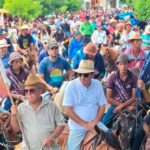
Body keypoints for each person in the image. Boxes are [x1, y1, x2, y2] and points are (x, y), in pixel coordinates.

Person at [11, 73, 65, 150]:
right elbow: (16, 129)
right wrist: (13, 116)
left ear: (40, 91)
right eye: (26, 91)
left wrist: (51, 138)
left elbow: (61, 124)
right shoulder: (21, 108)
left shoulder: (51, 106)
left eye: (31, 90)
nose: (28, 93)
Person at [63, 60, 108, 150]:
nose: (82, 77)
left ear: (92, 75)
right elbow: (68, 110)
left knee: (113, 141)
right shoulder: (71, 86)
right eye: (80, 74)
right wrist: (84, 124)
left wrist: (94, 122)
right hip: (77, 126)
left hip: (96, 124)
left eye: (86, 75)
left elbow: (102, 106)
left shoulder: (98, 84)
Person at [102, 54, 137, 125]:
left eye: (125, 64)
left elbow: (134, 97)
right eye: (121, 64)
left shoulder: (134, 77)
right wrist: (123, 106)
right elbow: (108, 98)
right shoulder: (112, 77)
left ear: (129, 64)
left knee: (141, 124)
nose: (123, 67)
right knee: (103, 124)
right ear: (117, 65)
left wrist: (123, 106)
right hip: (115, 104)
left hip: (130, 104)